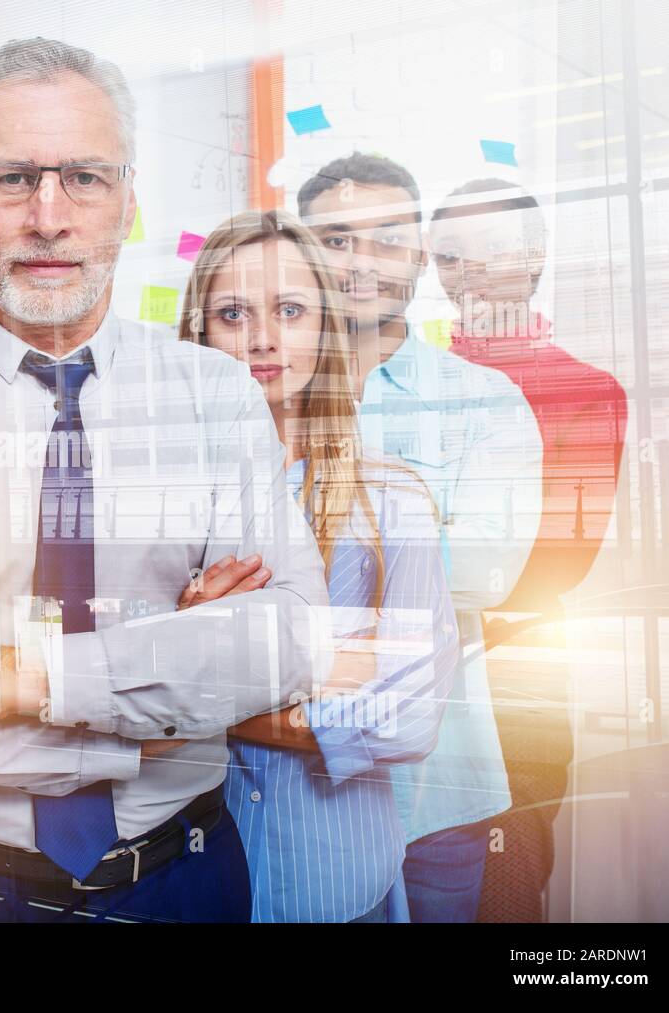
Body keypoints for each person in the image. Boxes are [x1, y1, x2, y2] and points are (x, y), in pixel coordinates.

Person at [0, 37, 330, 924]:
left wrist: (1, 682)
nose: (48, 216)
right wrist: (174, 673)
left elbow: (292, 641)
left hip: (182, 880)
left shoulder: (213, 396)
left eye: (84, 178)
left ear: (128, 198)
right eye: (13, 177)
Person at [175, 208, 458, 922]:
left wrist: (206, 676)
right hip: (192, 887)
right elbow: (117, 701)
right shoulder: (156, 511)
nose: (263, 339)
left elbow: (409, 715)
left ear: (325, 328)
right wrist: (320, 667)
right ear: (200, 335)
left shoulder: (391, 504)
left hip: (339, 887)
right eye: (233, 313)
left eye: (290, 311)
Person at [298, 152, 544, 922]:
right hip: (284, 784)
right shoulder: (247, 392)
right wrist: (407, 544)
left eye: (387, 240)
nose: (360, 263)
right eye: (335, 240)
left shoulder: (481, 400)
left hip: (436, 788)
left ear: (419, 259)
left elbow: (486, 570)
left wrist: (298, 561)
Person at [429, 179, 629, 922]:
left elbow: (560, 558)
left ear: (535, 257)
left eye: (490, 251)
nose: (467, 272)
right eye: (449, 255)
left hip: (514, 676)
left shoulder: (583, 389)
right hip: (408, 673)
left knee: (501, 898)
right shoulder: (398, 386)